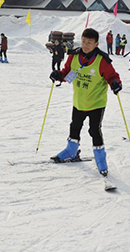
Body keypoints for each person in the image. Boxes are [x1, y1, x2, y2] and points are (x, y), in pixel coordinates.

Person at [49, 28, 122, 179]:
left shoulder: (102, 60)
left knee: (94, 130)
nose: (85, 45)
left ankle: (100, 159)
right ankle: (71, 151)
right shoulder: (74, 56)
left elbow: (112, 76)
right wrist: (58, 75)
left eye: (89, 43)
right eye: (83, 41)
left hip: (96, 103)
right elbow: (67, 72)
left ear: (96, 44)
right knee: (74, 126)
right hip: (79, 101)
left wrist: (115, 83)